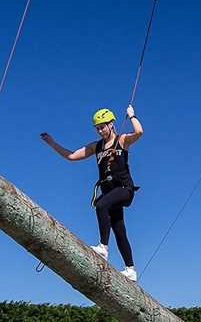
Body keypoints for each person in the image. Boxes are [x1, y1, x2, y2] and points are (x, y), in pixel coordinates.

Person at [40, 105, 143, 282]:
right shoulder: (97, 147)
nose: (100, 130)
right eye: (97, 128)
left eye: (103, 126)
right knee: (119, 229)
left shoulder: (122, 140)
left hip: (124, 189)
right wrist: (52, 143)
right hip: (110, 193)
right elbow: (71, 156)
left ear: (111, 124)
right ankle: (131, 269)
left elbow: (139, 132)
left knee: (100, 204)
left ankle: (103, 247)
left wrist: (132, 116)